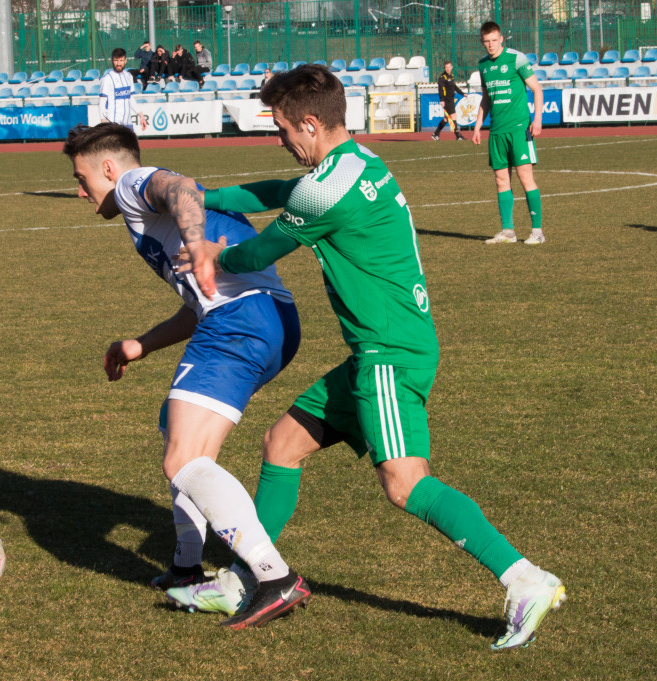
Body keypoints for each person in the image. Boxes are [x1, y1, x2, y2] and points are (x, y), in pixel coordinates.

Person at [169, 64, 566, 649]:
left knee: (405, 484)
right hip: (385, 348)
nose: (279, 139)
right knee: (283, 443)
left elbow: (259, 251)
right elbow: (283, 194)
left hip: (387, 353)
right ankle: (241, 578)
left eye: (281, 128)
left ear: (309, 122)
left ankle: (524, 578)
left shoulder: (326, 188)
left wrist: (211, 255)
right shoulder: (354, 164)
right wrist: (208, 195)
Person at [62, 122, 310, 630]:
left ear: (108, 168)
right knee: (175, 434)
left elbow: (179, 188)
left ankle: (272, 576)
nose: (80, 190)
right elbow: (199, 302)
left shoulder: (133, 186)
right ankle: (184, 566)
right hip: (263, 319)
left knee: (182, 458)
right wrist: (141, 344)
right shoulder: (146, 220)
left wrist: (197, 244)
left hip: (241, 322)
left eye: (82, 178)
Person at [472, 21, 546, 245]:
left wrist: (538, 119)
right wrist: (477, 126)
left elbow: (537, 89)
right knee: (500, 180)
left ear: (501, 38)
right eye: (486, 41)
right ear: (482, 42)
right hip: (497, 131)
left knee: (526, 179)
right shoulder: (483, 65)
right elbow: (486, 98)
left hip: (519, 130)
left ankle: (537, 232)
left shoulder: (517, 58)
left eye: (494, 40)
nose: (490, 45)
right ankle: (508, 232)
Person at [98, 48, 135, 129]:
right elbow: (102, 102)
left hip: (128, 123)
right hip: (112, 124)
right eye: (116, 60)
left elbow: (131, 98)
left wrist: (140, 114)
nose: (118, 63)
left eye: (121, 60)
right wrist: (103, 122)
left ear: (125, 61)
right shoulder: (107, 78)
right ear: (112, 61)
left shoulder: (129, 76)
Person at [431, 60, 466, 141]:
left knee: (446, 118)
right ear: (444, 68)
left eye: (449, 67)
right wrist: (442, 100)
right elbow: (440, 90)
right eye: (446, 67)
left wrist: (462, 93)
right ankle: (458, 136)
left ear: (452, 67)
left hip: (451, 99)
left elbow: (454, 87)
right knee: (453, 116)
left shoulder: (451, 76)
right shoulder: (442, 77)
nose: (448, 69)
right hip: (447, 100)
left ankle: (435, 134)